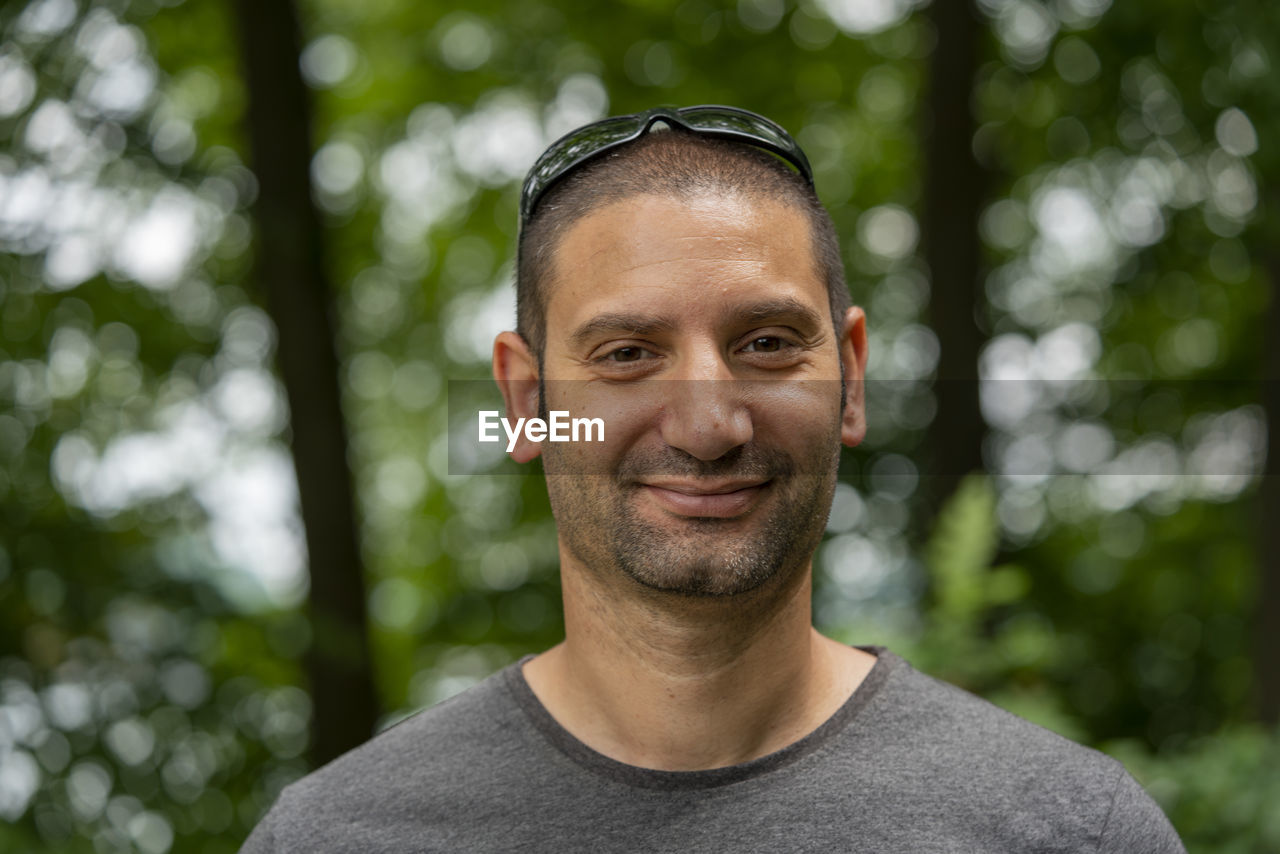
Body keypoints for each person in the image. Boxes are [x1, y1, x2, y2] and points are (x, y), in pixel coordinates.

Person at [240, 106, 1185, 853]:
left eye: (767, 345)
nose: (707, 425)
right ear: (525, 400)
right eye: (625, 354)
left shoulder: (1069, 831)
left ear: (850, 379)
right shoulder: (334, 839)